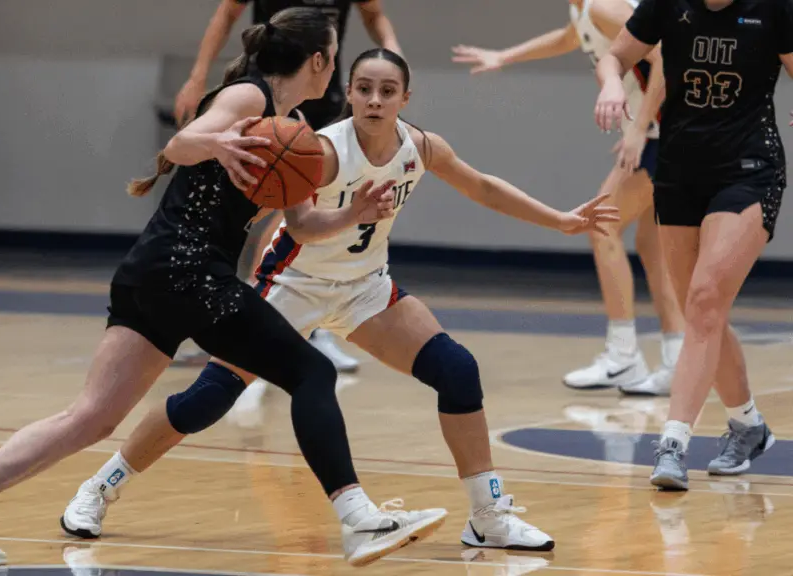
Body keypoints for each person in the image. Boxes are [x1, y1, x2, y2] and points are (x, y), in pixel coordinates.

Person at [0, 9, 448, 567]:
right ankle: (358, 519)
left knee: (91, 418)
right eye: (334, 59)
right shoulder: (248, 98)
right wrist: (217, 144)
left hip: (151, 272)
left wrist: (353, 212)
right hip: (187, 269)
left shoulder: (297, 135)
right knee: (312, 371)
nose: (332, 70)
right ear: (319, 61)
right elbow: (180, 143)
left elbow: (304, 225)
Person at [59, 47, 622, 553]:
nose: (375, 100)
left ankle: (489, 517)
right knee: (207, 401)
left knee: (457, 370)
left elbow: (482, 186)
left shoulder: (420, 146)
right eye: (364, 89)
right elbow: (299, 229)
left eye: (387, 90)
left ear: (406, 97)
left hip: (366, 288)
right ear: (348, 93)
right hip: (290, 287)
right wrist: (353, 213)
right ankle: (101, 486)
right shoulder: (319, 151)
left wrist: (561, 221)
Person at [594, 0, 793, 489]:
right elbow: (614, 56)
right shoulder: (667, 4)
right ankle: (748, 425)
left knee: (704, 300)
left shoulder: (773, 8)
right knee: (702, 309)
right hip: (680, 171)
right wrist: (612, 83)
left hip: (748, 169)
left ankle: (672, 445)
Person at [451, 0, 685, 397]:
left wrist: (638, 129)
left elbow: (667, 54)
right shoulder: (585, 10)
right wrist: (504, 56)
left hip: (666, 132)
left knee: (602, 225)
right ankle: (678, 362)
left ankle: (623, 354)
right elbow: (568, 37)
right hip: (669, 132)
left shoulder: (604, 7)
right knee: (652, 246)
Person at [173, 0, 402, 373]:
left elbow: (375, 15)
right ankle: (234, 317)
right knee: (244, 204)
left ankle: (284, 321)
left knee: (300, 205)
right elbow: (226, 14)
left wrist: (394, 60)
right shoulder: (248, 95)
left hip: (316, 94)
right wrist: (197, 77)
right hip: (269, 84)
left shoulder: (324, 72)